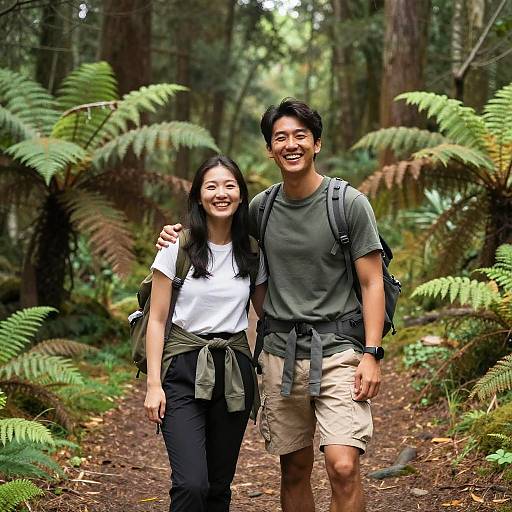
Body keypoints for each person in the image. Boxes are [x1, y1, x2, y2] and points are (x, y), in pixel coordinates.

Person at [157, 99, 385, 512]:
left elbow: (371, 282)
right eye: (281, 137)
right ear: (269, 148)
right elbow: (216, 229)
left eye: (301, 136)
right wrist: (176, 234)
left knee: (343, 465)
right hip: (280, 353)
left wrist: (371, 353)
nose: (291, 144)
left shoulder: (348, 204)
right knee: (294, 469)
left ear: (317, 143)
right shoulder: (261, 208)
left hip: (339, 351)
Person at [144, 155, 267, 512]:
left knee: (218, 486)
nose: (221, 193)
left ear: (241, 195)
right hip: (182, 369)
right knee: (190, 484)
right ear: (198, 196)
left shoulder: (252, 251)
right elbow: (156, 319)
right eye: (211, 186)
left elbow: (268, 311)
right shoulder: (175, 247)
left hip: (234, 372)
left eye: (229, 186)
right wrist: (154, 385)